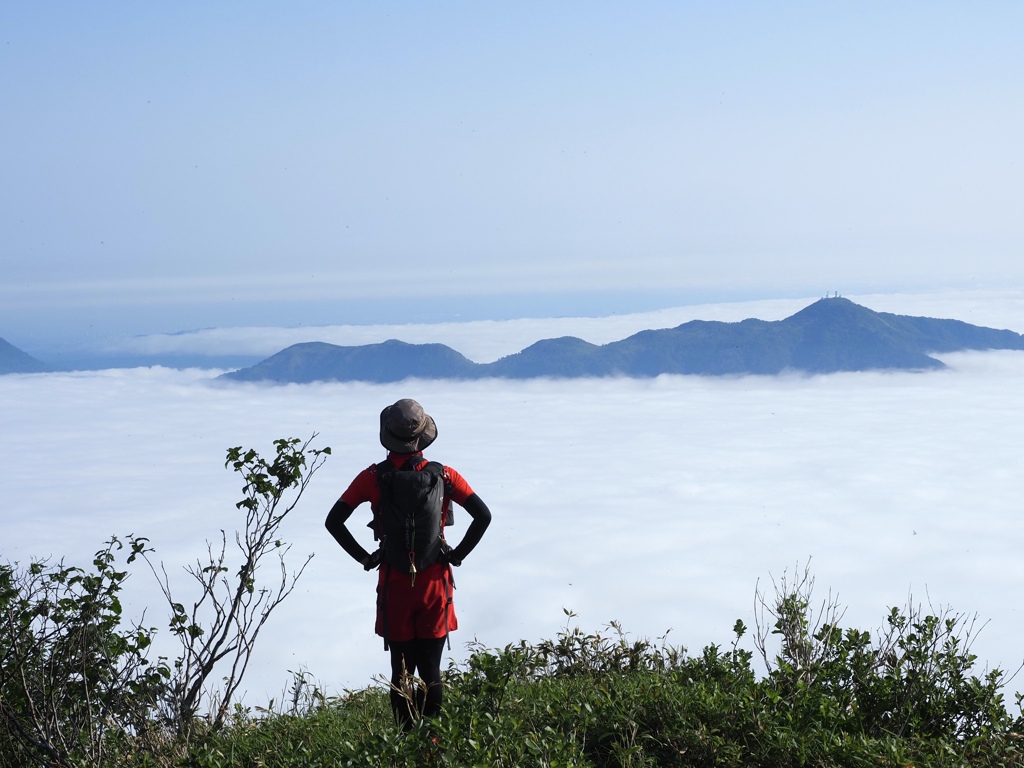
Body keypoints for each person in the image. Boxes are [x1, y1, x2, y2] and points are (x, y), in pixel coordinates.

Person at [325, 398, 491, 729]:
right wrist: (456, 555)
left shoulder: (372, 477)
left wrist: (366, 557)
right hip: (434, 583)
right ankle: (429, 744)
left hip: (395, 584)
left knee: (400, 672)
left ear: (387, 434)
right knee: (431, 671)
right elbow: (483, 516)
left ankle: (404, 742)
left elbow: (334, 522)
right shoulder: (445, 475)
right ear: (422, 436)